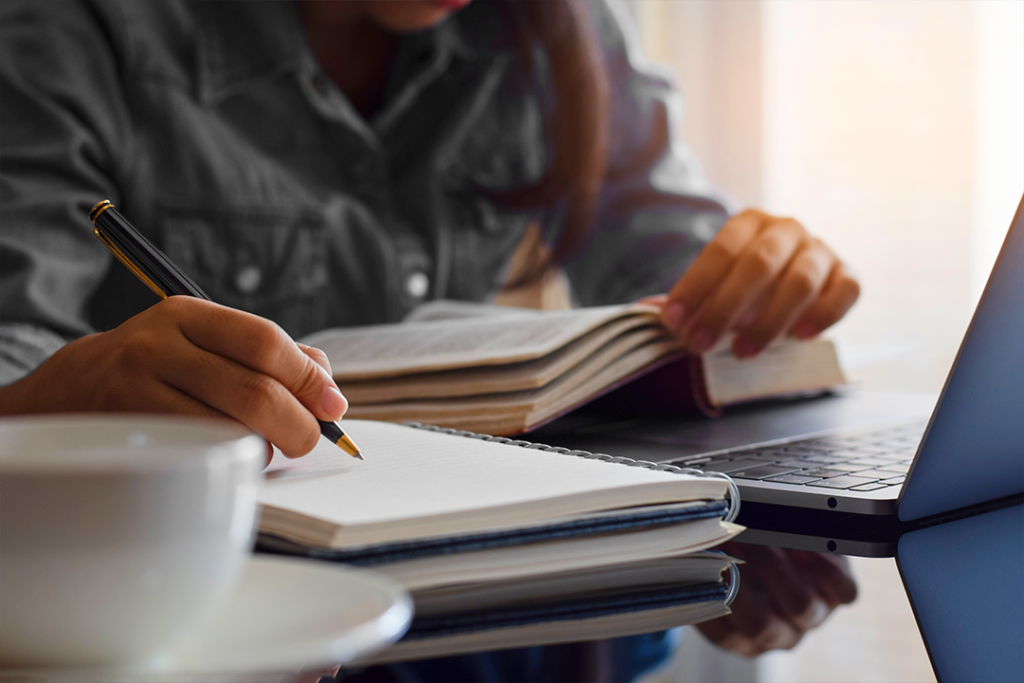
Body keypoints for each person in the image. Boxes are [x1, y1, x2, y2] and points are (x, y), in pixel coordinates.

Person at [0, 0, 858, 680]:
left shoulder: (553, 23)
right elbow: (14, 342)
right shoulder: (79, 30)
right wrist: (58, 394)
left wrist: (766, 275)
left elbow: (680, 266)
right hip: (171, 603)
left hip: (481, 597)